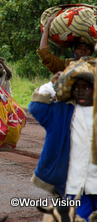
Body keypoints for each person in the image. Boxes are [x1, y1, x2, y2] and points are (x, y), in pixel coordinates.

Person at [28, 60, 97, 221]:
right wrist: (53, 85)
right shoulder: (62, 112)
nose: (80, 92)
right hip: (76, 185)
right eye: (76, 88)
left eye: (86, 88)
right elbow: (36, 107)